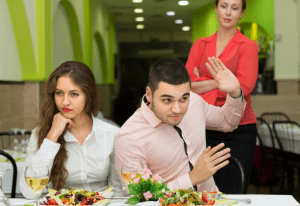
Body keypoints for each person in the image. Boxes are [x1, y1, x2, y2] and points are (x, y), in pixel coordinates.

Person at [115, 58, 245, 193]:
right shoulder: (129, 137)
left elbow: (227, 122)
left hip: (212, 201)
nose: (177, 109)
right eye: (167, 100)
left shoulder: (194, 102)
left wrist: (235, 93)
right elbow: (137, 195)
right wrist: (192, 178)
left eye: (183, 98)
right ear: (149, 94)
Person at [20, 61, 123, 199]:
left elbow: (117, 191)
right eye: (59, 93)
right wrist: (52, 136)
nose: (65, 102)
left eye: (74, 94)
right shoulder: (42, 133)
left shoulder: (112, 134)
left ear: (88, 96)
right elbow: (30, 193)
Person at [185, 0, 258, 194]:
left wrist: (204, 83)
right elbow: (186, 85)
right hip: (205, 126)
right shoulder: (201, 44)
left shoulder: (248, 46)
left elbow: (244, 86)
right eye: (224, 6)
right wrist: (220, 82)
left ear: (241, 13)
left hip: (240, 130)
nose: (228, 12)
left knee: (233, 190)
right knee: (204, 191)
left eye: (235, 8)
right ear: (216, 8)